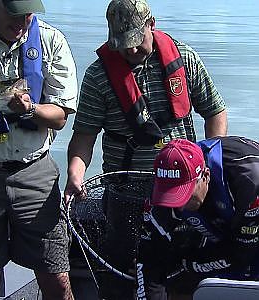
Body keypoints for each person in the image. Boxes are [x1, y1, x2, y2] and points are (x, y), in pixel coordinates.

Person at [65, 0, 227, 298]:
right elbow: (84, 136)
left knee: (183, 268)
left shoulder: (185, 59)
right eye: (122, 44)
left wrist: (210, 165)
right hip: (126, 191)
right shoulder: (98, 75)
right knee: (124, 269)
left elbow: (215, 112)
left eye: (136, 42)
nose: (130, 50)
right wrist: (75, 174)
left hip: (184, 188)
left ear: (151, 24)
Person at [0, 0, 77, 299]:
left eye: (28, 13)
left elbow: (61, 116)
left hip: (34, 174)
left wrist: (31, 109)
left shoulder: (51, 41)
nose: (22, 20)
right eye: (14, 12)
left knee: (56, 274)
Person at [137, 137, 259, 300]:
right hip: (225, 213)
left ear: (205, 176)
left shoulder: (249, 181)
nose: (178, 206)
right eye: (171, 197)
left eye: (184, 195)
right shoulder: (160, 187)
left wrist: (187, 265)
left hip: (250, 215)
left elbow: (241, 255)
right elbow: (148, 261)